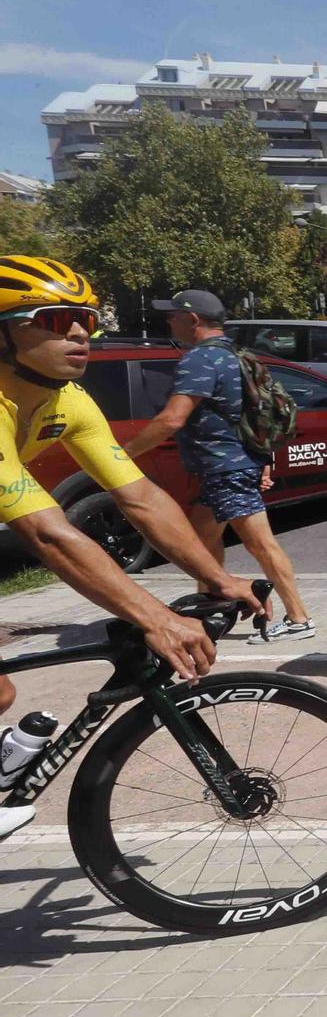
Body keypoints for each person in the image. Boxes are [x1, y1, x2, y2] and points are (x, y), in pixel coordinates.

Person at [0, 257, 225, 840]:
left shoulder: (68, 400)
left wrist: (217, 581)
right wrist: (155, 616)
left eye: (87, 319)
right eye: (55, 319)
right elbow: (48, 533)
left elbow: (142, 497)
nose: (79, 333)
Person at [124, 291, 315, 640]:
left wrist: (123, 453)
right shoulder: (237, 355)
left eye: (173, 316)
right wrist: (264, 459)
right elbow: (256, 413)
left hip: (226, 467)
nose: (168, 321)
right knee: (201, 539)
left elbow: (172, 419)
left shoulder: (200, 360)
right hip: (230, 466)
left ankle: (298, 618)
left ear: (192, 320)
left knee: (260, 544)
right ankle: (213, 601)